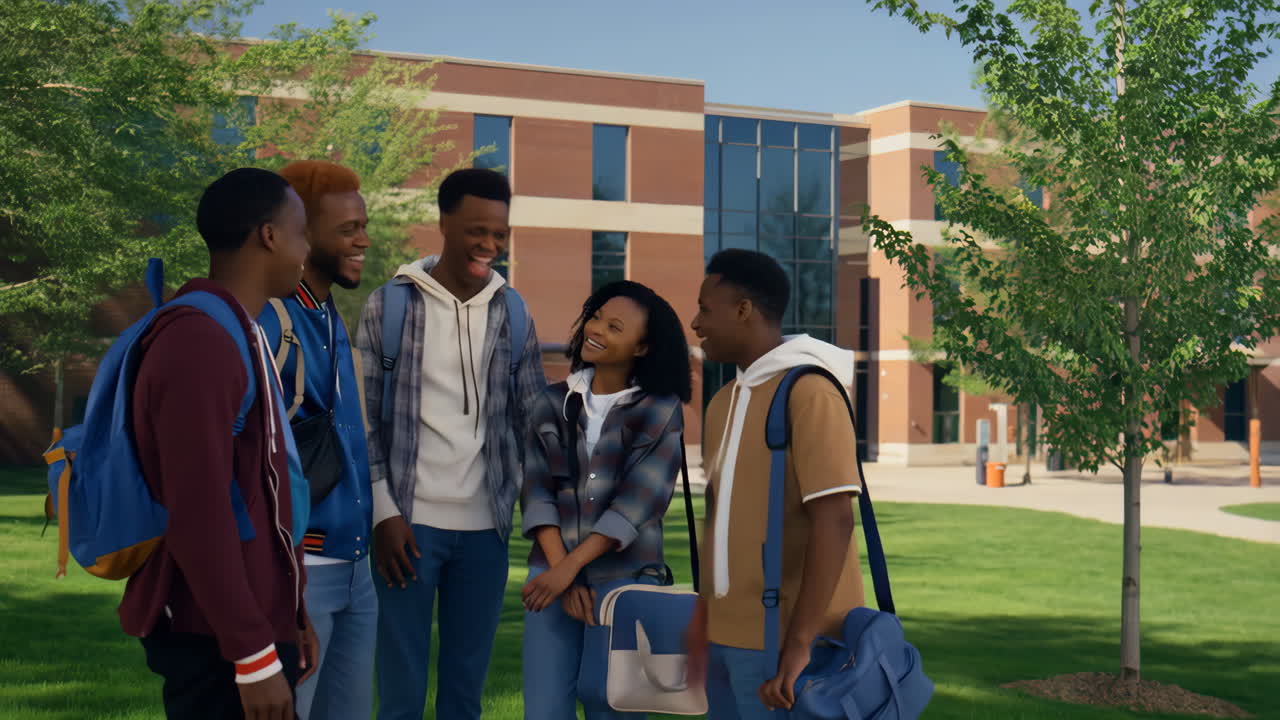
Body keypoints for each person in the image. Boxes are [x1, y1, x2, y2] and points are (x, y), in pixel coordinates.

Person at [119, 167, 319, 719]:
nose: (307, 248)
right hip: (212, 636)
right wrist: (253, 656)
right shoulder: (199, 341)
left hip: (248, 623)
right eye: (300, 232)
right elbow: (198, 512)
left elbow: (265, 489)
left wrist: (291, 613)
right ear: (269, 235)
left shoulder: (241, 329)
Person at [355, 167, 546, 720]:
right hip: (407, 525)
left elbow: (533, 422)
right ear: (443, 223)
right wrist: (384, 514)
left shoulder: (513, 311)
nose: (489, 245)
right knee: (400, 689)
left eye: (500, 234)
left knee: (466, 692)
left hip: (487, 527)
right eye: (475, 231)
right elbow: (364, 420)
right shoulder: (389, 306)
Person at [684, 249, 864, 719]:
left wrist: (801, 642)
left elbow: (836, 519)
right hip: (720, 639)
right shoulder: (723, 401)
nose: (695, 322)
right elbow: (723, 522)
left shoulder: (811, 392)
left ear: (743, 310)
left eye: (705, 308)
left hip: (786, 644)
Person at [521, 280, 692, 720]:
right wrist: (562, 574)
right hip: (551, 574)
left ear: (641, 347)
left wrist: (571, 570)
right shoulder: (550, 401)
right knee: (544, 708)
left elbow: (639, 502)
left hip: (628, 576)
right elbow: (537, 491)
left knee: (614, 703)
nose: (596, 329)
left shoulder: (659, 408)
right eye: (595, 316)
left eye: (614, 326)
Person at [257, 160, 376, 720]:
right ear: (302, 233)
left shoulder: (329, 313)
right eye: (348, 229)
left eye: (364, 224)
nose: (363, 240)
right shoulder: (270, 320)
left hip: (357, 568)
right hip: (302, 571)